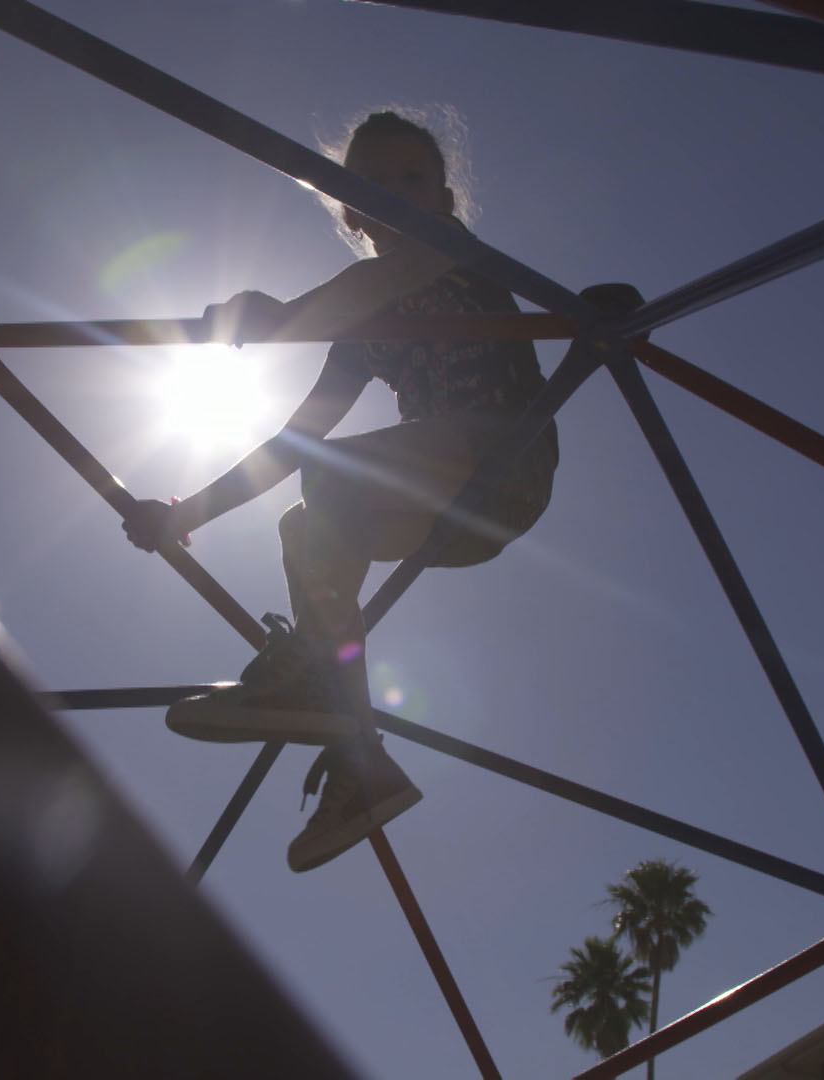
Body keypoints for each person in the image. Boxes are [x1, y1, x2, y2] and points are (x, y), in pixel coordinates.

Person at [121, 109, 558, 872]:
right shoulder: (363, 329)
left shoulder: (449, 252)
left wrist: (284, 318)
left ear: (446, 202)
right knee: (305, 526)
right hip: (443, 510)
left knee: (334, 481)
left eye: (411, 178)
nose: (393, 193)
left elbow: (375, 280)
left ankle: (315, 684)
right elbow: (294, 441)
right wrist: (187, 512)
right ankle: (362, 759)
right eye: (372, 184)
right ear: (352, 211)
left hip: (502, 461)